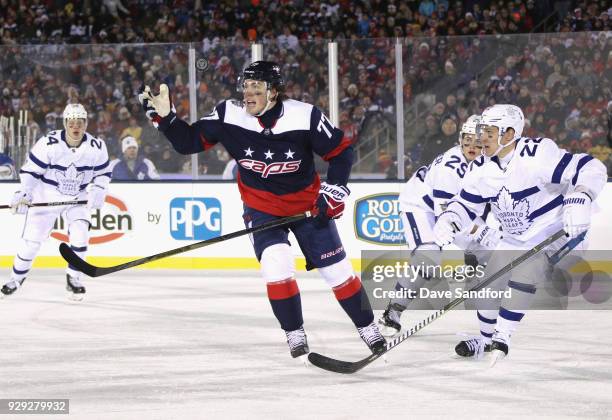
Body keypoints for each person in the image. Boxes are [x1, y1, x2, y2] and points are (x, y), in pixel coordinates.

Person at [139, 61, 386, 361]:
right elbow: (188, 142)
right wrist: (166, 118)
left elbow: (341, 152)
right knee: (276, 265)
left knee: (338, 272)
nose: (248, 93)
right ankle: (294, 332)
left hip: (307, 205)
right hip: (262, 208)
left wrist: (334, 191)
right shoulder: (229, 114)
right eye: (246, 86)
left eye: (257, 87)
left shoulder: (304, 115)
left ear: (274, 92)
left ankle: (368, 327)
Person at [433, 104, 607, 364]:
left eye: (489, 132)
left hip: (557, 229)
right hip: (516, 235)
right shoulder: (481, 167)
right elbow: (466, 204)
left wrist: (581, 195)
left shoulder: (537, 155)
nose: (482, 138)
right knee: (486, 284)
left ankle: (502, 337)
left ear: (508, 134)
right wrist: (450, 217)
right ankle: (484, 339)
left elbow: (592, 167)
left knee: (527, 270)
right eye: (482, 131)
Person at [378, 114, 500, 336]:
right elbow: (445, 216)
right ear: (460, 139)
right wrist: (479, 231)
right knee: (428, 257)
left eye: (478, 142)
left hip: (450, 211)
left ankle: (484, 310)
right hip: (421, 207)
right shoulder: (450, 167)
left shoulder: (488, 163)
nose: (472, 147)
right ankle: (392, 313)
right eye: (467, 141)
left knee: (487, 251)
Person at [1, 103, 111, 300]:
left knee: (80, 235)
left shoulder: (97, 147)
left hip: (78, 197)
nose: (76, 127)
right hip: (47, 195)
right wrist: (25, 192)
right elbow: (31, 171)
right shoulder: (48, 143)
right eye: (71, 123)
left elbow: (103, 173)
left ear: (86, 124)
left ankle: (74, 279)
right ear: (65, 123)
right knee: (32, 242)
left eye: (80, 122)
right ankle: (16, 279)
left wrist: (100, 188)